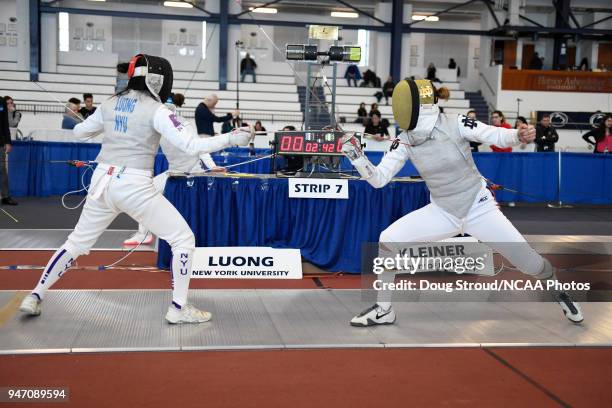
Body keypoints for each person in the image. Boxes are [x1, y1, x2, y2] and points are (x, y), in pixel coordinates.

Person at [19, 54, 253, 324]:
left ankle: (35, 295)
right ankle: (178, 309)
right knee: (183, 240)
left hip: (101, 182)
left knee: (76, 243)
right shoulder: (158, 110)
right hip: (133, 184)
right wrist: (232, 138)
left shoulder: (110, 103)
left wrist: (106, 125)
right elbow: (192, 146)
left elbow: (80, 133)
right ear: (158, 79)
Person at [341, 78, 582, 327]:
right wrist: (357, 158)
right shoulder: (403, 141)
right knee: (389, 239)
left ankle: (558, 289)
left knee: (531, 264)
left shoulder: (454, 122)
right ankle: (384, 309)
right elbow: (379, 179)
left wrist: (517, 134)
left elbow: (492, 134)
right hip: (443, 212)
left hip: (480, 209)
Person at [123, 92, 225, 246]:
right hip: (174, 172)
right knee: (141, 193)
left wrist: (211, 166)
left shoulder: (184, 124)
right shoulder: (158, 126)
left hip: (193, 173)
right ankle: (143, 234)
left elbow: (199, 147)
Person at [0, 96, 17, 205]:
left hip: (0, 142)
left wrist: (8, 142)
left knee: (2, 169)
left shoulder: (1, 101)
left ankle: (5, 196)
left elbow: (5, 123)